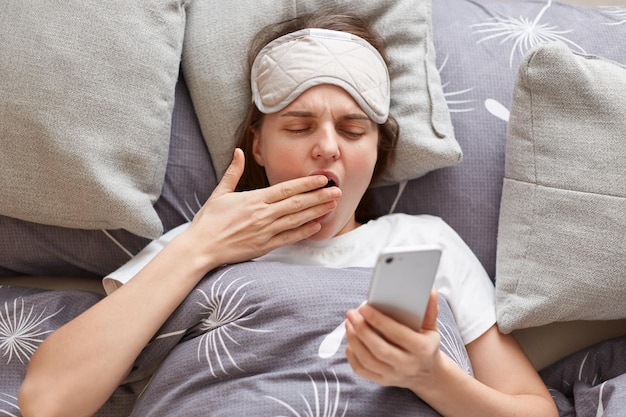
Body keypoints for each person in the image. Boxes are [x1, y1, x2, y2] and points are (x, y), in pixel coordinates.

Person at [18, 12, 558, 417]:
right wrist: (199, 248)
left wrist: (429, 375)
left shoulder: (421, 242)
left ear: (378, 153)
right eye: (299, 127)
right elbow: (48, 402)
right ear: (258, 146)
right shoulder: (197, 243)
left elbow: (534, 410)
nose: (327, 148)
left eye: (352, 131)